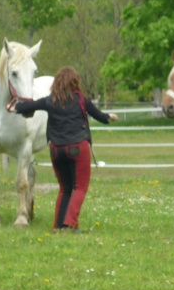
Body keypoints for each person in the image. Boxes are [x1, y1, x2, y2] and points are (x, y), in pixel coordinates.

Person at [8, 66, 118, 233]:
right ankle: (69, 224)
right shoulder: (81, 99)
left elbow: (29, 105)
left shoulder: (49, 100)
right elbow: (99, 116)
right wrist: (109, 117)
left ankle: (57, 226)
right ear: (75, 82)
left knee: (65, 188)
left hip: (56, 151)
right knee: (80, 187)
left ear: (57, 83)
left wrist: (14, 108)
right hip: (78, 149)